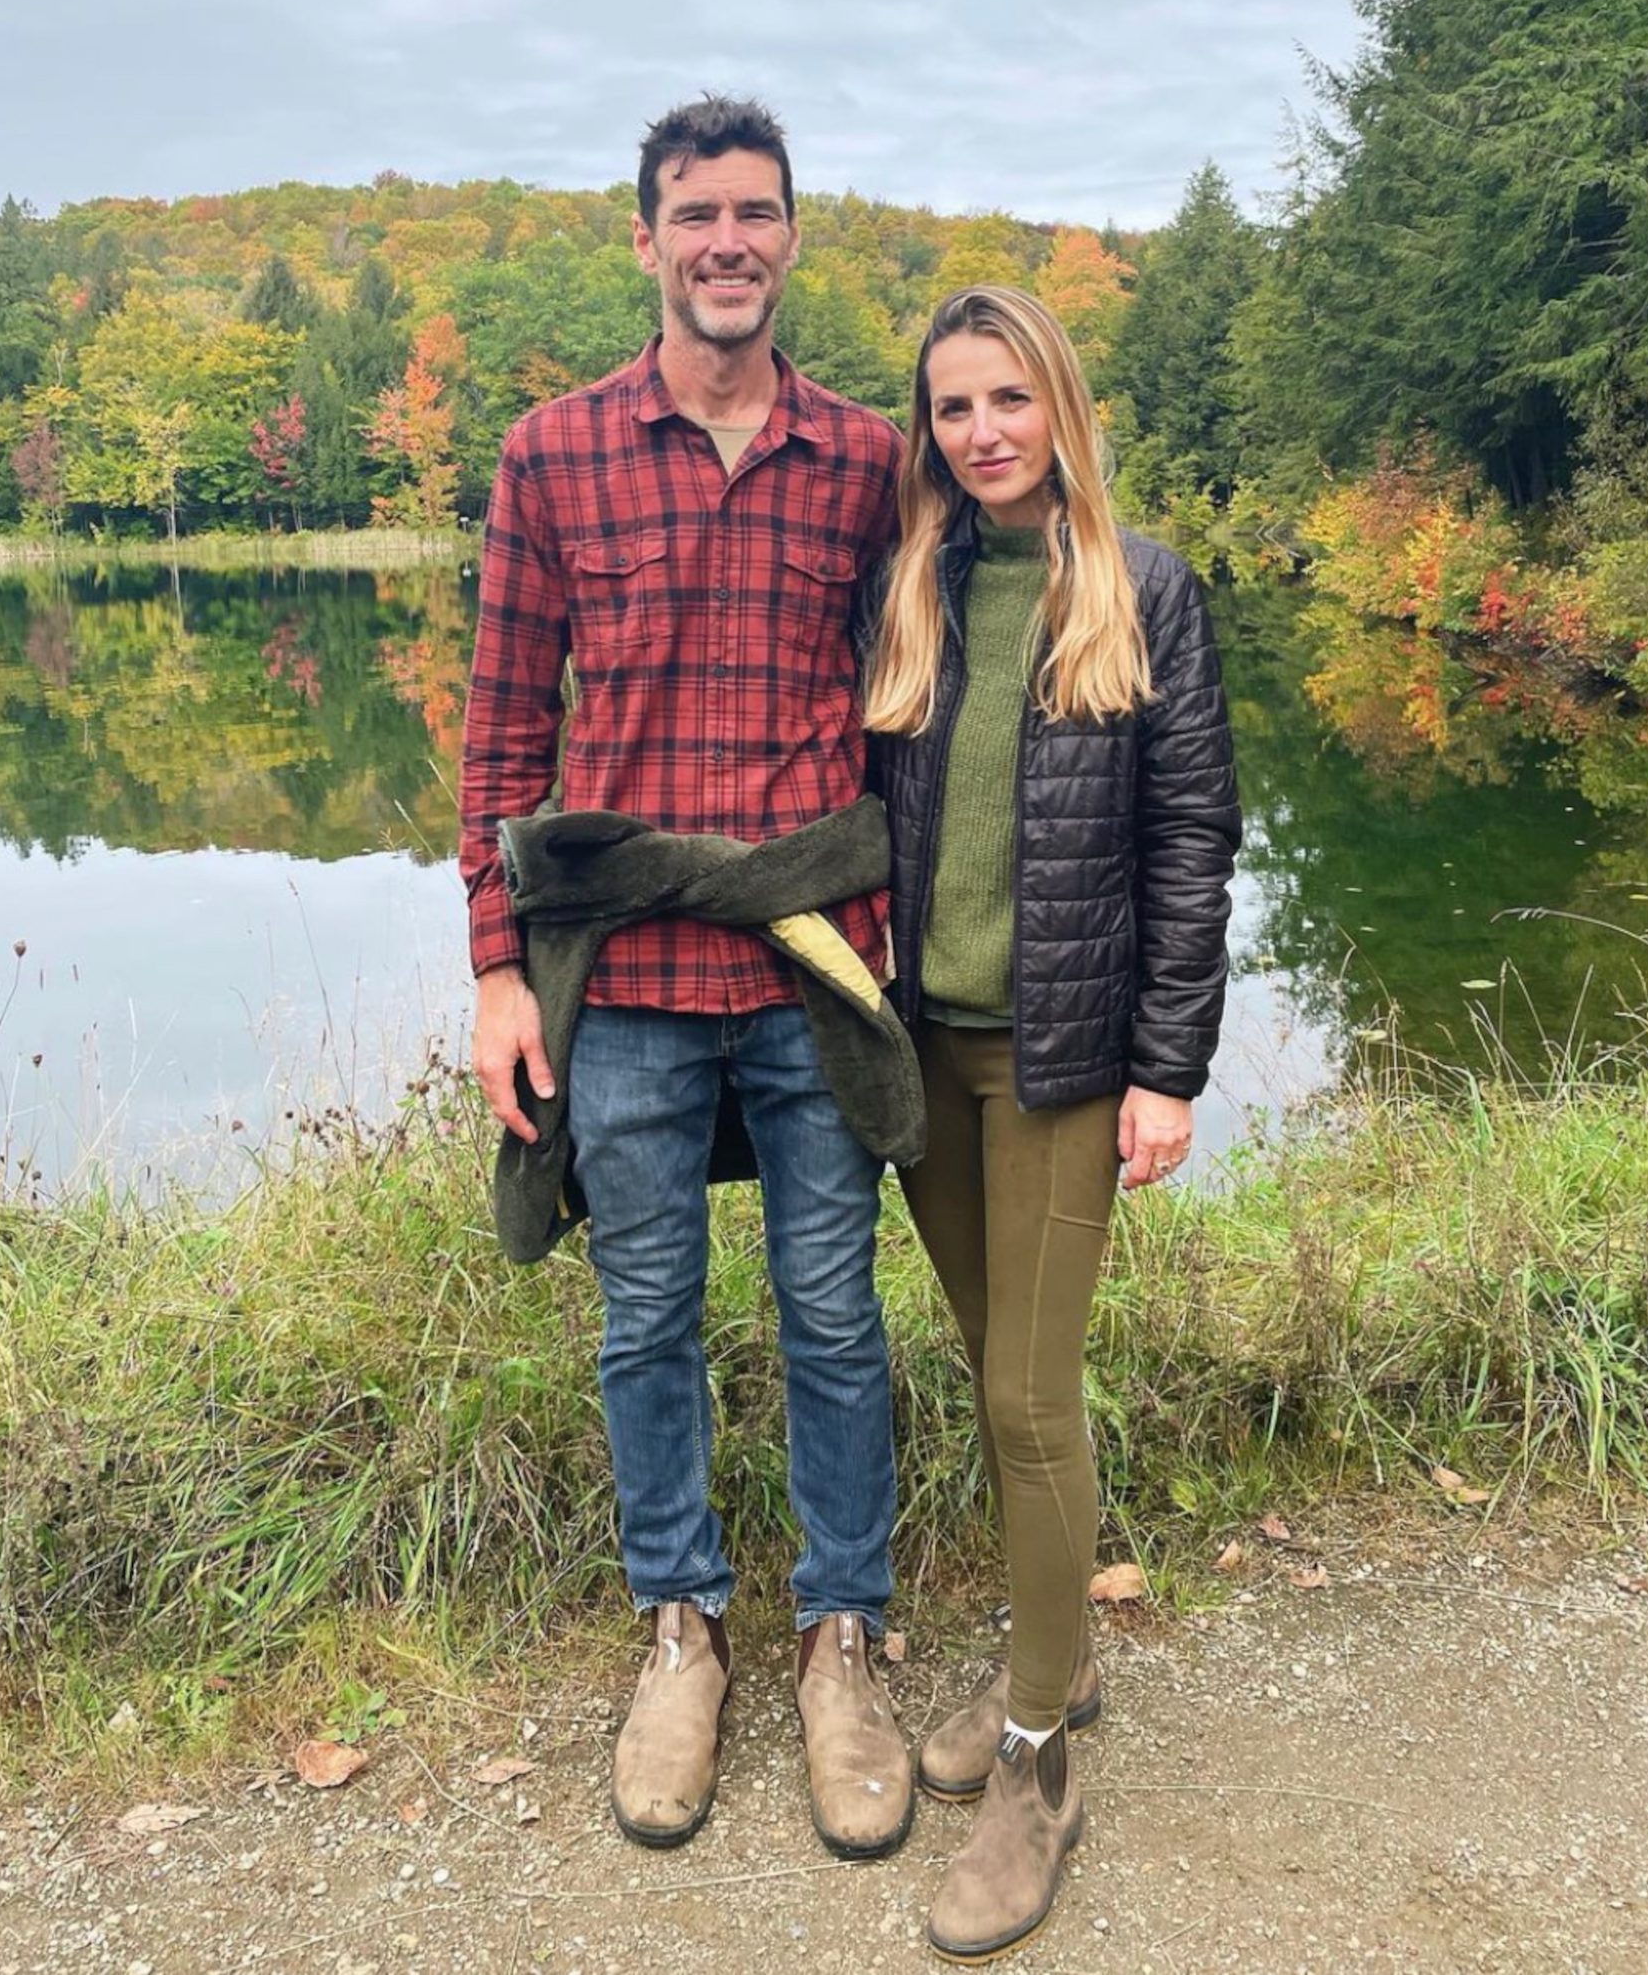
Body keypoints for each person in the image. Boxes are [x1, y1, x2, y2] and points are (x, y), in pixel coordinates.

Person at [459, 96, 917, 1861]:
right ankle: (681, 1626)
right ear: (643, 240)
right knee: (643, 1313)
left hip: (811, 964)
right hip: (629, 972)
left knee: (834, 1318)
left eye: (758, 212)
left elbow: (919, 715)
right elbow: (503, 733)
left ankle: (840, 1635)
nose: (728, 240)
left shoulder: (873, 459)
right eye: (695, 213)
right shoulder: (550, 456)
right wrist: (500, 971)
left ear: (794, 238)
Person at [865, 285, 1241, 1961]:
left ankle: (1039, 1752)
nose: (983, 431)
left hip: (1070, 1062)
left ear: (1060, 403)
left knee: (1029, 1393)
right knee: (986, 1361)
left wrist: (1171, 1068)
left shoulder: (1143, 587)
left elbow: (1192, 846)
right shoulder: (922, 585)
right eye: (953, 407)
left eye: (1008, 397)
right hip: (927, 1052)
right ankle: (1054, 1649)